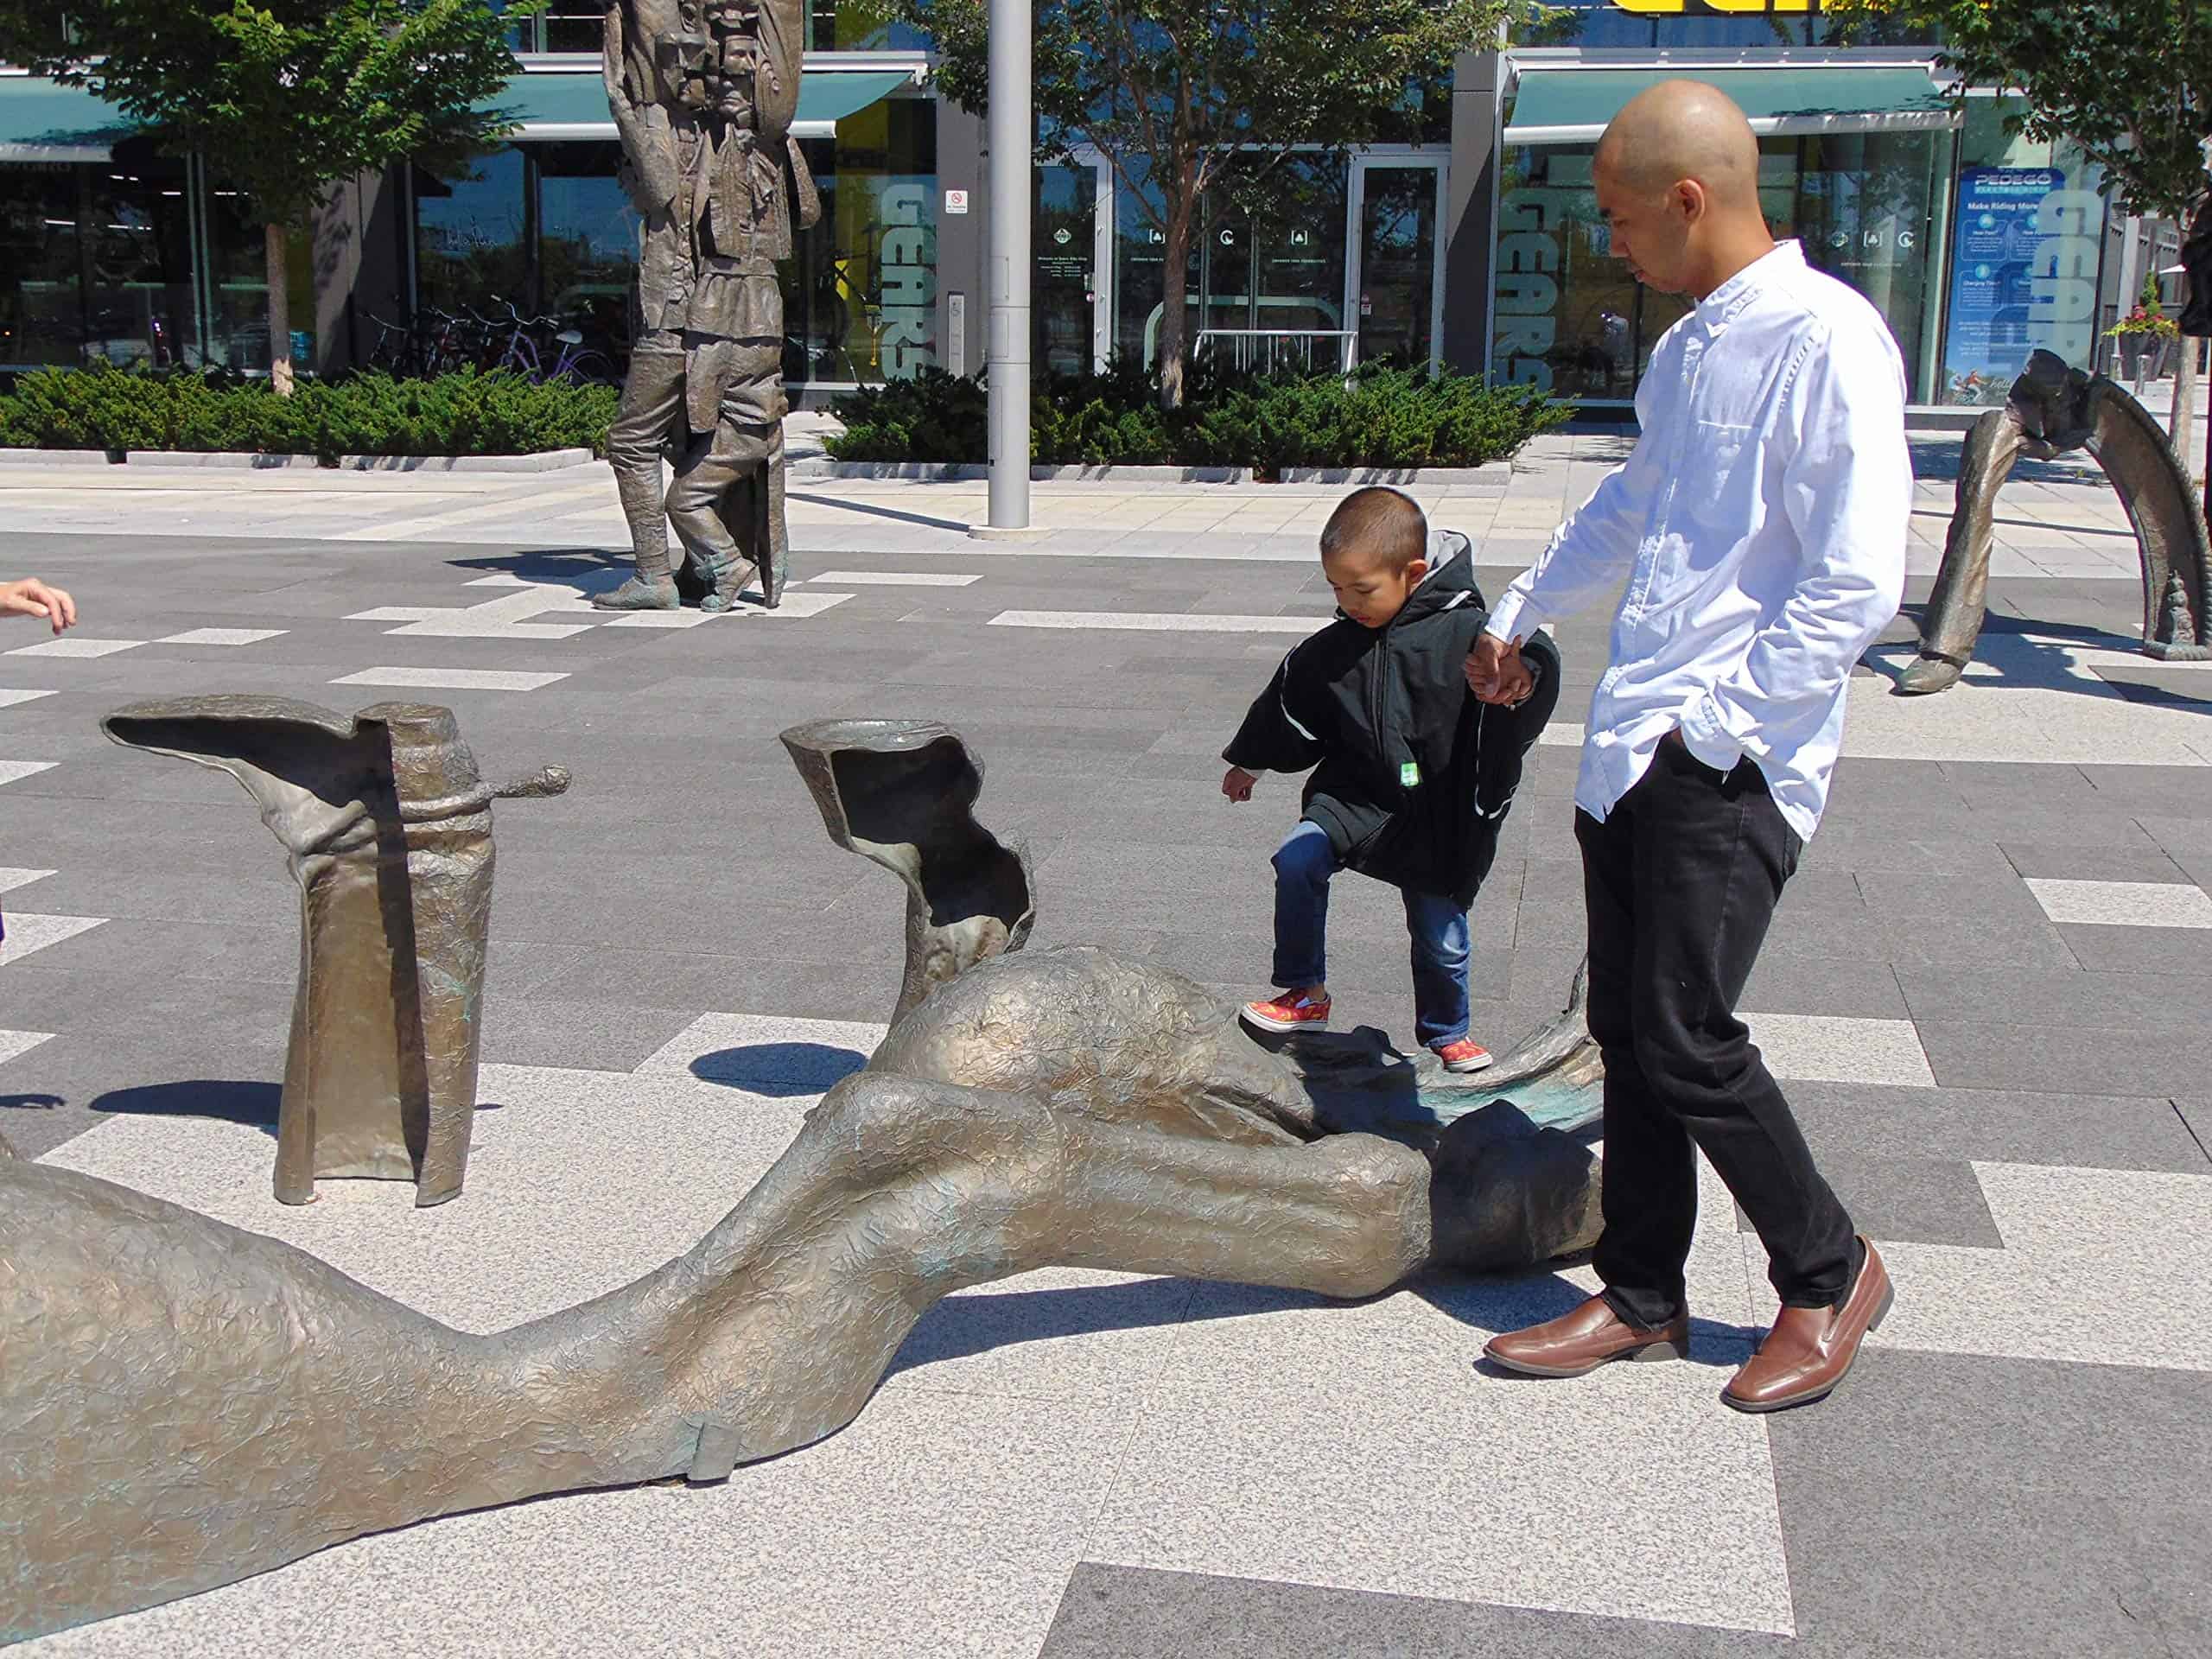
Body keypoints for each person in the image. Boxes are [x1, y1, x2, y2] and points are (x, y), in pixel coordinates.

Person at [1465, 80, 1909, 1413]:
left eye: (1620, 217)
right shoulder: (1687, 348)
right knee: (1626, 1029)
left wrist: (1723, 733)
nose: (1611, 242)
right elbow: (1633, 504)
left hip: (1729, 756)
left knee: (1686, 1033)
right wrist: (1523, 608)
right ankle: (1645, 1294)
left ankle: (1829, 1272)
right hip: (1633, 743)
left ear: (1689, 199)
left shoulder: (1827, 337)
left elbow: (1855, 578)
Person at [1223, 486, 1560, 1074]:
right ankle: (1305, 992)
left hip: (1437, 805)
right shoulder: (1334, 648)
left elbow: (1534, 656)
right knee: (1297, 859)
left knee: (1440, 931)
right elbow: (1291, 701)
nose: (1347, 603)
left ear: (1415, 573)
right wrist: (1251, 763)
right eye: (1336, 589)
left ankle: (1448, 1030)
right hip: (1355, 792)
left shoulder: (1469, 633)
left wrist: (1521, 678)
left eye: (1362, 590)